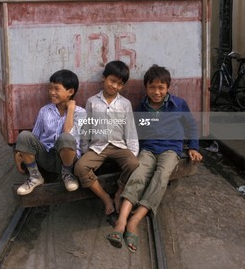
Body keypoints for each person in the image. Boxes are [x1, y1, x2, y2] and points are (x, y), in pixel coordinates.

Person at [107, 64, 203, 253]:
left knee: (161, 177)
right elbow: (134, 131)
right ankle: (121, 222)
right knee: (138, 175)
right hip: (148, 149)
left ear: (168, 88)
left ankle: (135, 221)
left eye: (161, 88)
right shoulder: (141, 107)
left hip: (170, 150)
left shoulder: (179, 104)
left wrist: (193, 147)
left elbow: (191, 125)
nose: (156, 92)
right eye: (152, 87)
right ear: (146, 88)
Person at [74, 60, 139, 215]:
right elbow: (86, 127)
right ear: (104, 78)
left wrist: (133, 152)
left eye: (120, 84)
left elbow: (130, 129)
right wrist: (84, 150)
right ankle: (105, 198)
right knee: (80, 167)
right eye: (112, 81)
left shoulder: (125, 104)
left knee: (134, 164)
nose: (115, 86)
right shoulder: (92, 102)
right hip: (98, 147)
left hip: (119, 146)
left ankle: (119, 193)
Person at [15, 69, 86, 195]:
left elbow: (68, 134)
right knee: (24, 136)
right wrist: (21, 151)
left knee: (66, 138)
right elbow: (34, 138)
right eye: (50, 89)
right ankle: (35, 176)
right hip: (46, 156)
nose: (52, 93)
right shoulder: (44, 111)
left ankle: (67, 174)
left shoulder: (80, 113)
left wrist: (71, 110)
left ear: (70, 92)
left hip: (67, 159)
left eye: (56, 89)